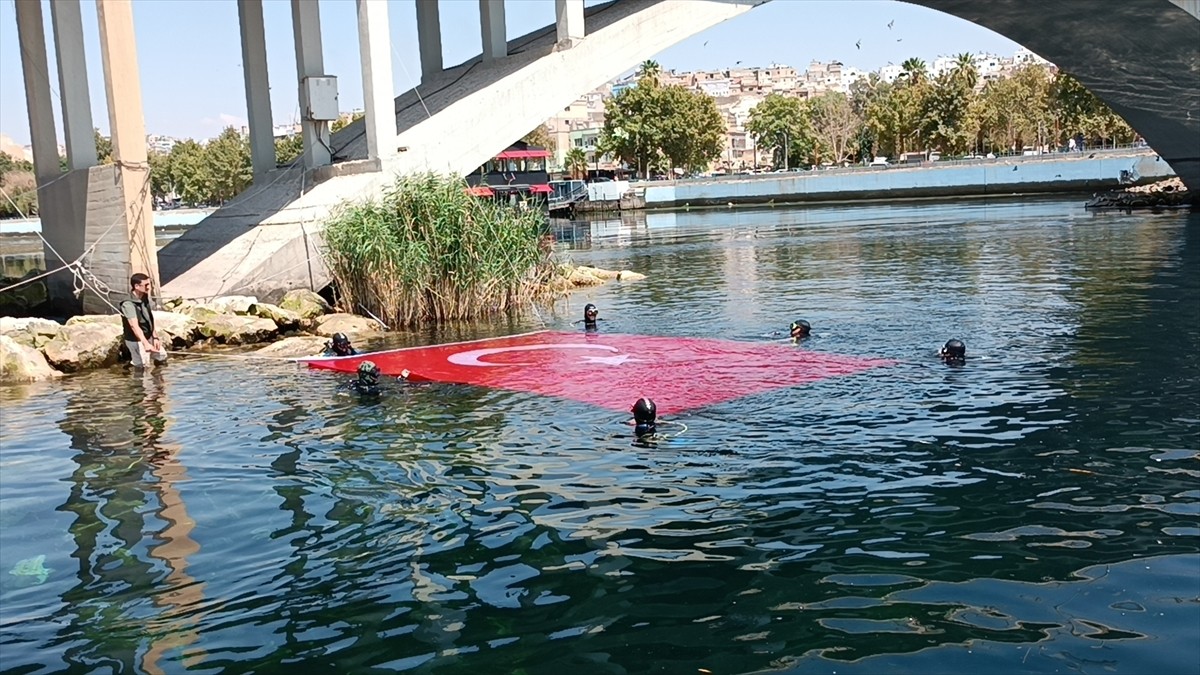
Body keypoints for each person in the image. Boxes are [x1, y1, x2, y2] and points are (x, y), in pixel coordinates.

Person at [119, 273, 168, 368]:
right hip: (136, 340)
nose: (149, 287)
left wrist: (155, 337)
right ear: (136, 286)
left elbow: (149, 318)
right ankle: (129, 370)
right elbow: (134, 326)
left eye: (149, 284)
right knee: (143, 366)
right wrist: (145, 343)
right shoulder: (128, 304)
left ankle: (158, 379)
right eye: (146, 285)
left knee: (162, 356)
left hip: (149, 336)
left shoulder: (144, 297)